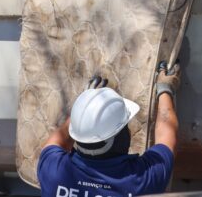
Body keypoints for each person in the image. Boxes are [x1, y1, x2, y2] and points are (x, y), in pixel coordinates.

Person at [37, 63, 181, 197]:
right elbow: (166, 134)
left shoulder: (53, 172)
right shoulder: (144, 178)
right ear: (119, 139)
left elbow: (59, 138)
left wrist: (86, 107)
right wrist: (164, 89)